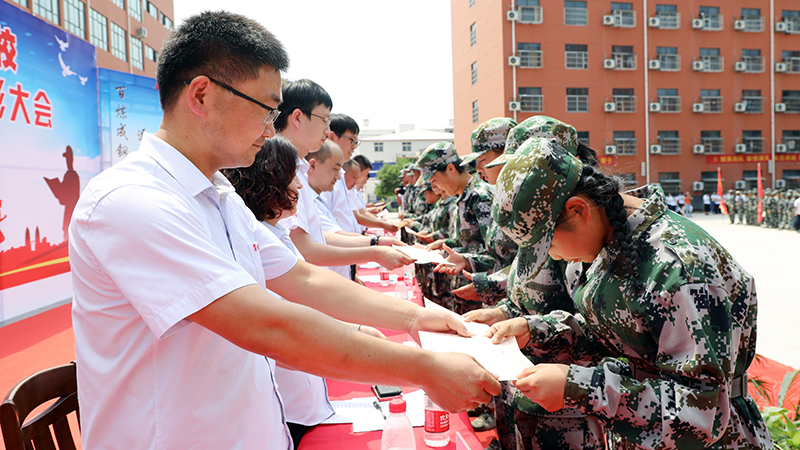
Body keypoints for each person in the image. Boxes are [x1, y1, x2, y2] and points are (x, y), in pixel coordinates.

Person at [68, 12, 501, 449]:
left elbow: (301, 277)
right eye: (266, 108)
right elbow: (267, 326)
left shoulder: (220, 195)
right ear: (201, 95)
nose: (270, 125)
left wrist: (415, 318)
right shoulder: (132, 200)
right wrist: (423, 368)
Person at [483, 138, 772, 449]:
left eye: (549, 244)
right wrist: (537, 331)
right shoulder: (608, 243)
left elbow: (700, 413)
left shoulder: (678, 268)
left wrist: (581, 389)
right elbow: (612, 331)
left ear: (578, 210)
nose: (552, 257)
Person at [273, 79, 413, 278]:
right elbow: (306, 250)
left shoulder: (299, 171)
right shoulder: (281, 174)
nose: (327, 131)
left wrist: (375, 243)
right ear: (297, 117)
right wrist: (374, 251)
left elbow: (318, 236)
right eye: (324, 120)